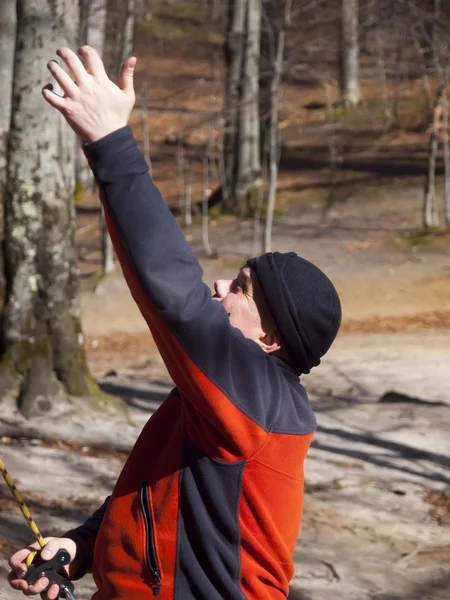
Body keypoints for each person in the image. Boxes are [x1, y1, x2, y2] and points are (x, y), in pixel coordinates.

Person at [8, 46, 341, 600]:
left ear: (271, 337)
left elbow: (176, 297)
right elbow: (163, 498)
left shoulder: (255, 396)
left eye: (239, 289)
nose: (218, 288)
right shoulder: (219, 398)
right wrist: (81, 546)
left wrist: (110, 141)